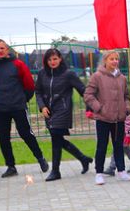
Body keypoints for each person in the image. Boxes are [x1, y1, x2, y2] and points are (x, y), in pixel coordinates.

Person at [0, 39, 48, 178]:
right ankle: (10, 166)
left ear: (7, 49)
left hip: (17, 106)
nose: (0, 51)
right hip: (0, 107)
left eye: (2, 48)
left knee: (26, 133)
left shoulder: (18, 64)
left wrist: (23, 99)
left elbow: (29, 84)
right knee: (3, 138)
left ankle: (40, 158)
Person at [35, 48, 93, 182]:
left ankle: (55, 171)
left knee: (56, 138)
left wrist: (90, 106)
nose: (52, 62)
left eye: (55, 59)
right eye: (49, 59)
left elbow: (82, 90)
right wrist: (42, 106)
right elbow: (37, 91)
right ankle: (83, 159)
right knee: (58, 139)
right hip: (48, 111)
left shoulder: (69, 74)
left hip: (63, 109)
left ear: (60, 59)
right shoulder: (42, 74)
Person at [84, 50, 130, 185]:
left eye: (116, 59)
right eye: (112, 59)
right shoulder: (97, 76)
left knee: (118, 145)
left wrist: (126, 108)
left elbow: (126, 96)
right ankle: (99, 173)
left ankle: (122, 171)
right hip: (103, 118)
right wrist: (99, 108)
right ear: (105, 61)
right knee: (102, 146)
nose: (115, 61)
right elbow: (88, 95)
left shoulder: (122, 78)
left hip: (119, 119)